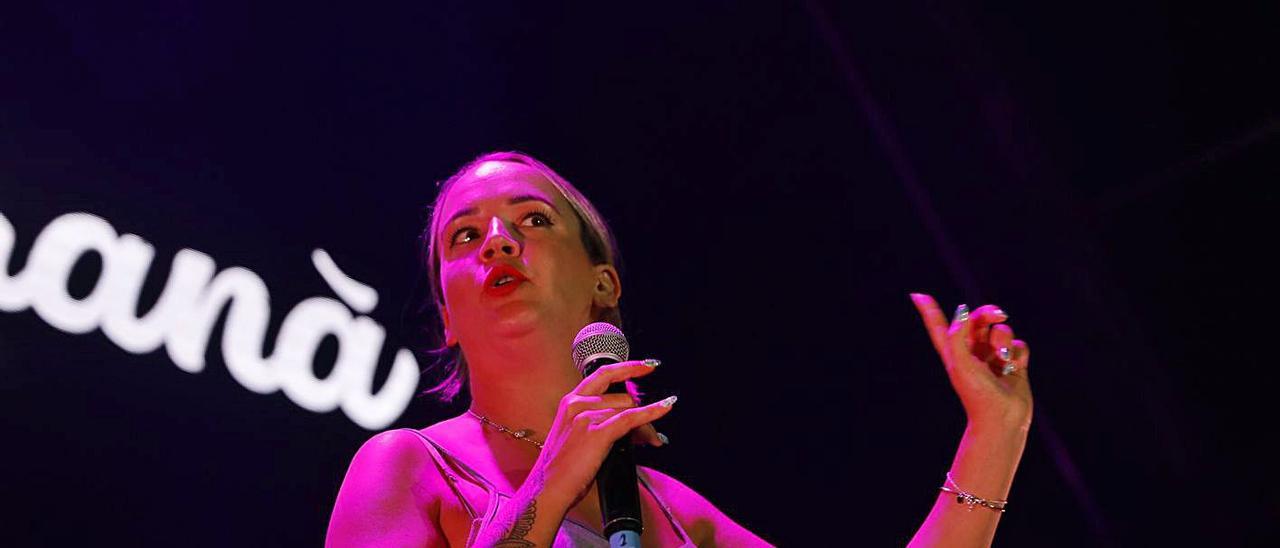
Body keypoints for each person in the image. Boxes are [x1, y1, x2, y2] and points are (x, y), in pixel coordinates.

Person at [325, 151, 1033, 547]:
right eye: (465, 236)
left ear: (603, 283)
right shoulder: (408, 467)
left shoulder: (673, 514)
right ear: (447, 316)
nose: (499, 242)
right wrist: (548, 487)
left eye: (531, 220)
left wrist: (995, 431)